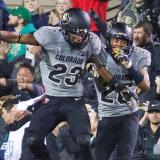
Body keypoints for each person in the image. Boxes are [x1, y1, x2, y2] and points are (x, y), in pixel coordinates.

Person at [0, 8, 115, 160]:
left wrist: (108, 77)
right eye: (76, 34)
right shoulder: (50, 35)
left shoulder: (92, 42)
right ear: (65, 30)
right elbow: (16, 37)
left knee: (84, 141)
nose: (80, 38)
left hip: (75, 101)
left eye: (83, 33)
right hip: (51, 100)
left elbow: (96, 61)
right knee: (32, 141)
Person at [94, 22, 151, 160]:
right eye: (115, 40)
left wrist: (129, 66)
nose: (118, 44)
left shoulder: (139, 54)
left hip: (128, 114)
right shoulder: (99, 53)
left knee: (125, 157)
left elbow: (145, 86)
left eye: (123, 41)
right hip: (106, 114)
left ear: (129, 42)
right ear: (108, 40)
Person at [132, 21, 160, 102]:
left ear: (148, 34)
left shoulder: (156, 49)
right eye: (134, 33)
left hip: (151, 96)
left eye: (139, 33)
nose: (135, 36)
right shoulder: (133, 51)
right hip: (136, 96)